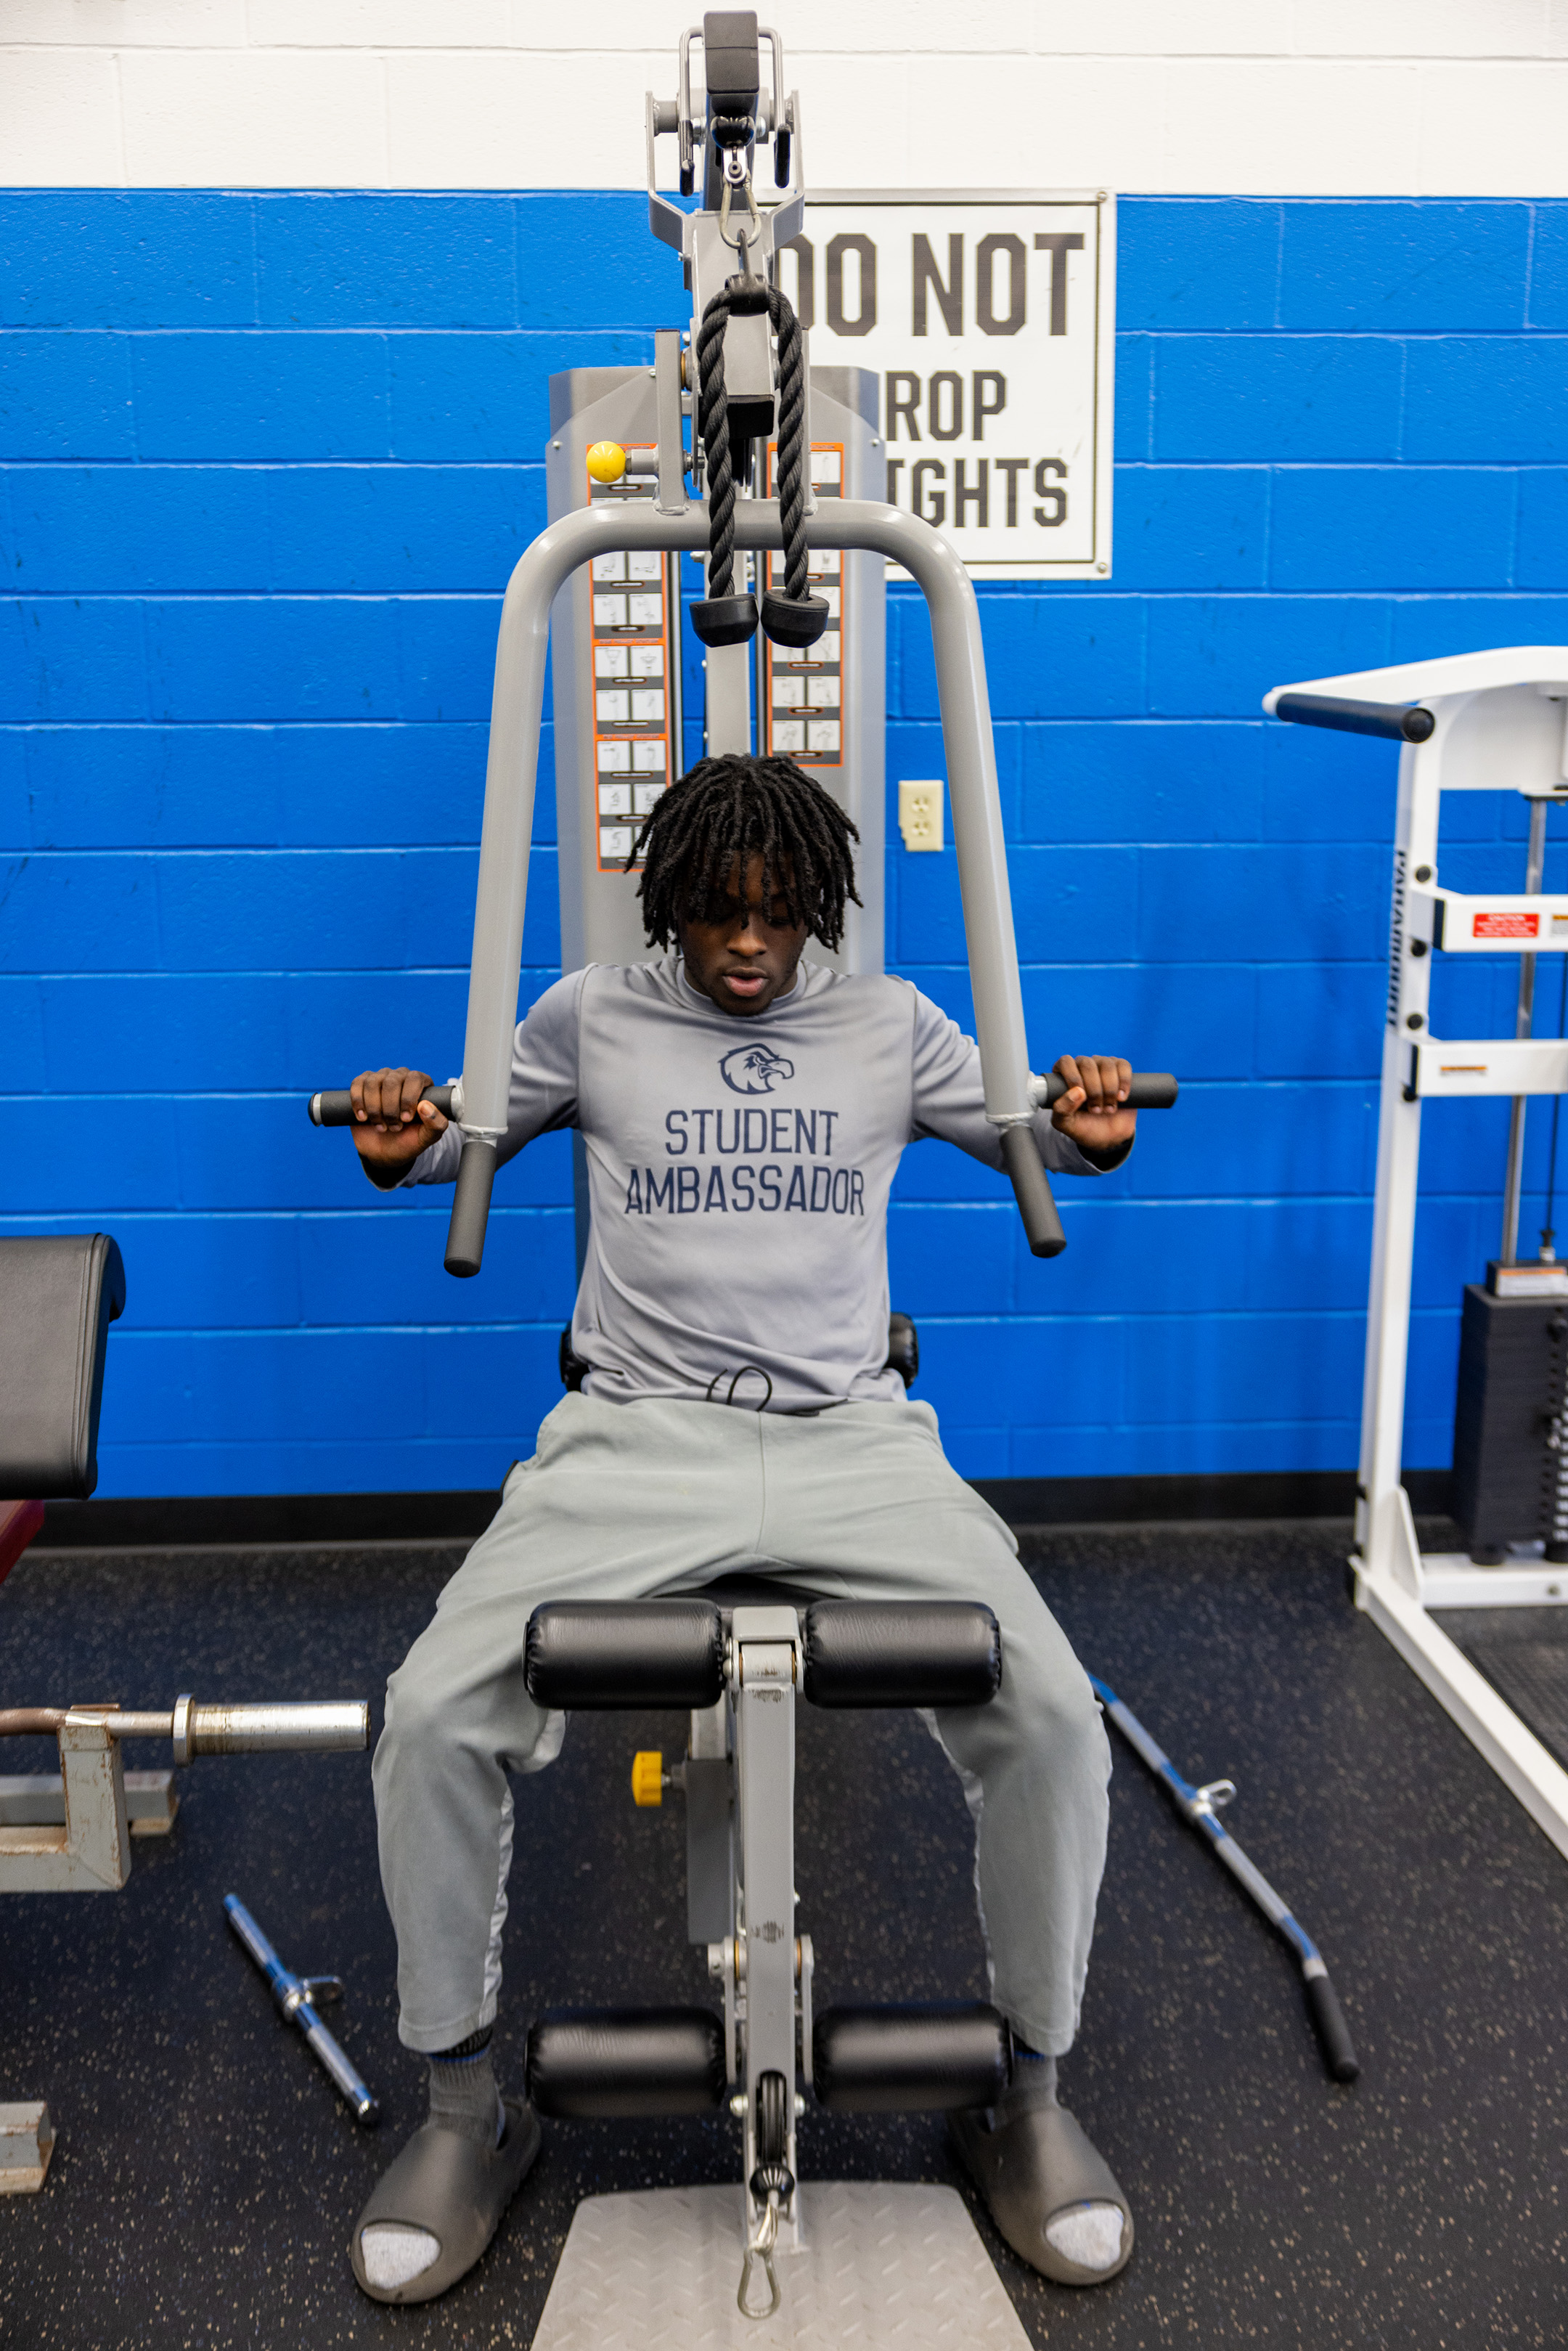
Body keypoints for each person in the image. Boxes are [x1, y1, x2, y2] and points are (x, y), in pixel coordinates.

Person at [343, 752, 1138, 2305]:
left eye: (777, 913)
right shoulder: (591, 1010)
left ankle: (1028, 2093)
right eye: (718, 912)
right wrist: (401, 1135)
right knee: (432, 1711)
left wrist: (1094, 1123)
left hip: (856, 1439)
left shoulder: (891, 1020)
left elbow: (1046, 1132)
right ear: (671, 903)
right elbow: (449, 1135)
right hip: (633, 1438)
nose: (749, 943)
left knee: (1054, 1713)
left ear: (820, 905)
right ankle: (457, 2109)